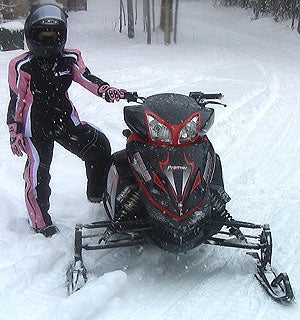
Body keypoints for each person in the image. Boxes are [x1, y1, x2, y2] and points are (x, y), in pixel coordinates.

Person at [6, 3, 130, 237]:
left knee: (98, 146)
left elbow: (86, 77)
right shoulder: (21, 65)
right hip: (35, 129)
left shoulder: (70, 58)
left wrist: (107, 90)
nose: (48, 40)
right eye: (42, 35)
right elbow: (17, 100)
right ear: (31, 35)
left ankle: (97, 198)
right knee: (37, 176)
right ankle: (41, 224)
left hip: (65, 121)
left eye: (53, 36)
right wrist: (15, 131)